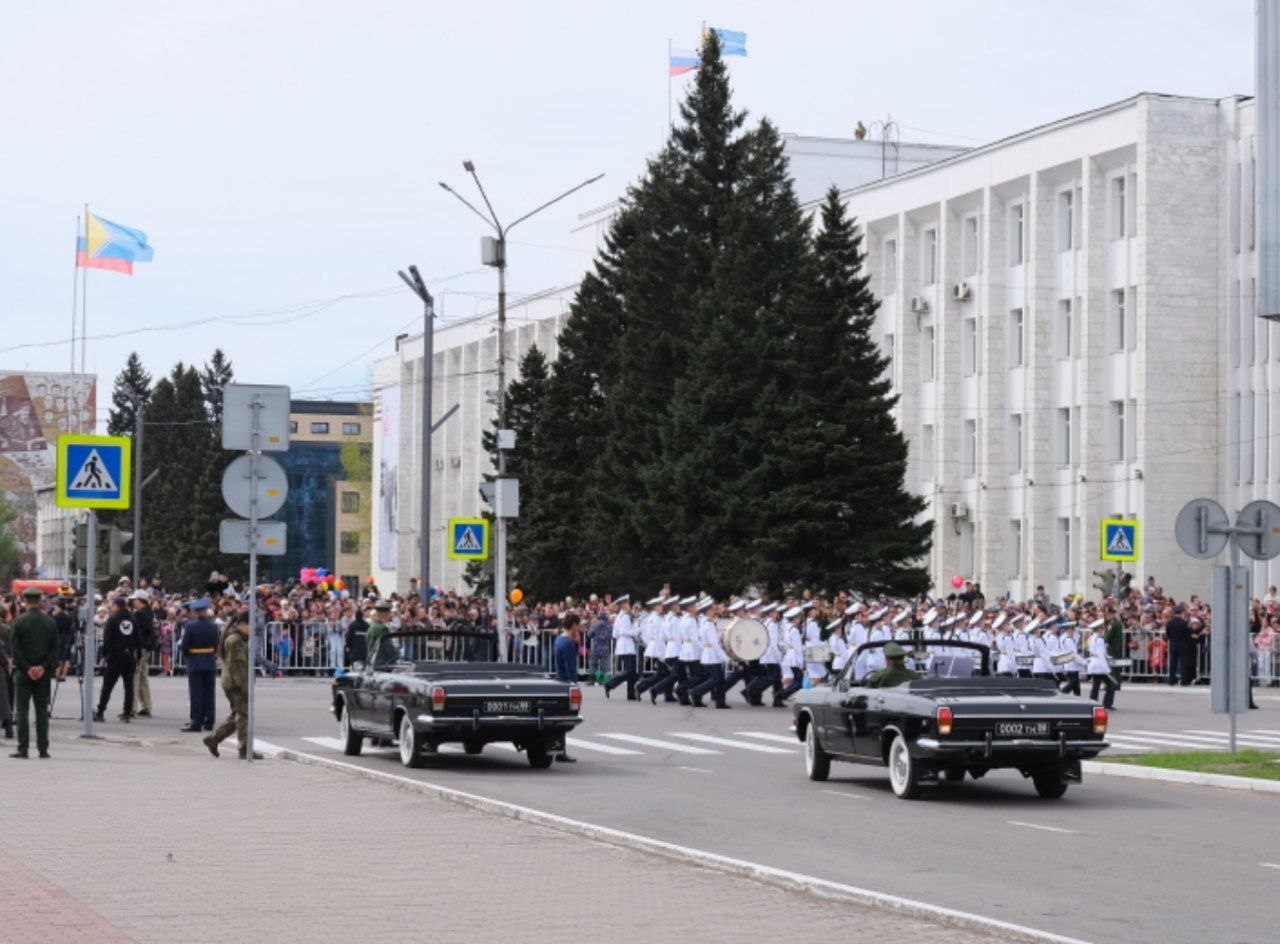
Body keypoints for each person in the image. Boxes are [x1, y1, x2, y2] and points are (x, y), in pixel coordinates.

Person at [203, 613, 261, 759]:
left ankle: (214, 739)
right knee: (243, 715)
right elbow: (238, 666)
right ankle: (244, 749)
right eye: (250, 625)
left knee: (238, 714)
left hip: (232, 681)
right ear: (241, 623)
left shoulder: (236, 638)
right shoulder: (235, 640)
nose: (252, 629)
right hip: (236, 682)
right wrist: (245, 687)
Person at [10, 588, 59, 758]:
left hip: (23, 674)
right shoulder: (49, 622)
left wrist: (27, 667)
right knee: (41, 711)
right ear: (40, 601)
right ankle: (43, 749)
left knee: (22, 711)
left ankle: (23, 748)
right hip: (43, 674)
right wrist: (43, 666)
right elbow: (55, 649)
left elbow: (15, 649)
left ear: (24, 601)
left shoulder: (19, 622)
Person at [95, 596, 141, 722]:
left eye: (112, 605)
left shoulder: (112, 619)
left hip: (115, 656)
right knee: (129, 686)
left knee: (107, 686)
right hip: (130, 656)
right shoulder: (133, 619)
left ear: (116, 605)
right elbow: (138, 640)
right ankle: (127, 713)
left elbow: (108, 640)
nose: (110, 607)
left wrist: (104, 656)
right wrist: (138, 657)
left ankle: (100, 712)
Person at [179, 598, 219, 733]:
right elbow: (216, 645)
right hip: (209, 661)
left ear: (195, 612)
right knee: (209, 692)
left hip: (195, 662)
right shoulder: (214, 626)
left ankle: (196, 721)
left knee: (196, 692)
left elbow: (184, 646)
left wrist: (188, 656)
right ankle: (209, 721)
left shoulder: (190, 626)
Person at [549, 616, 579, 763]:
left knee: (559, 718)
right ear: (573, 625)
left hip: (559, 680)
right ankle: (560, 752)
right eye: (577, 626)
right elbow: (571, 666)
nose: (578, 629)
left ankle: (560, 750)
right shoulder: (567, 643)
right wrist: (574, 684)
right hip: (567, 682)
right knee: (564, 719)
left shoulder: (559, 639)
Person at [603, 597, 640, 700]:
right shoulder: (624, 617)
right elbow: (624, 632)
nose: (629, 605)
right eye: (628, 604)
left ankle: (631, 694)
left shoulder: (619, 616)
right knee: (630, 670)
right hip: (626, 646)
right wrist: (637, 630)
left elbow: (615, 634)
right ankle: (609, 684)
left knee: (631, 672)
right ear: (623, 605)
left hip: (623, 646)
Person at [130, 591, 156, 716]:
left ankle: (132, 707)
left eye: (134, 599)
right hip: (147, 648)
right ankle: (147, 706)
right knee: (143, 678)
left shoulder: (138, 614)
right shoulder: (149, 612)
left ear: (139, 600)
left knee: (134, 677)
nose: (133, 601)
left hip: (139, 648)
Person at [364, 600, 400, 668]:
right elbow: (388, 648)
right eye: (389, 612)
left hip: (373, 663)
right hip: (382, 664)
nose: (390, 615)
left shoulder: (372, 626)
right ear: (387, 614)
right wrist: (397, 655)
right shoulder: (382, 628)